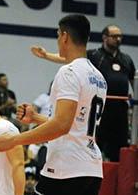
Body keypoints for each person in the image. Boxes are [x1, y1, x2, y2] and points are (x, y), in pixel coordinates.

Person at [0, 14, 107, 195]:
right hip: (90, 168)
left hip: (64, 169)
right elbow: (73, 124)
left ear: (64, 36)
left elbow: (63, 126)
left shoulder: (67, 73)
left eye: (58, 35)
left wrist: (16, 140)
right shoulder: (98, 76)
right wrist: (38, 119)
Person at [30, 24, 134, 162]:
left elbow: (133, 82)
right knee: (97, 146)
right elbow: (68, 59)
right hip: (100, 111)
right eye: (114, 36)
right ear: (104, 37)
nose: (118, 39)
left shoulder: (126, 60)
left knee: (120, 149)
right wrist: (46, 55)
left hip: (120, 111)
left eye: (120, 36)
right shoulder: (95, 55)